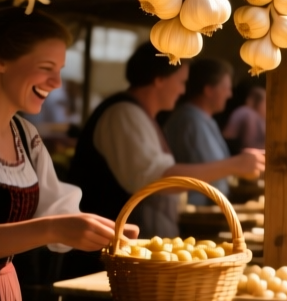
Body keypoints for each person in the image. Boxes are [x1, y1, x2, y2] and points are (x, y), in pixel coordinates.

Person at [0, 9, 129, 301]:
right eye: (46, 68)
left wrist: (102, 230)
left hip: (5, 290)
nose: (57, 83)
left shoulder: (25, 133)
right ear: (1, 61)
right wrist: (54, 228)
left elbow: (58, 213)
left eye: (60, 70)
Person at [69, 44, 264, 252]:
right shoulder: (123, 114)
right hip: (110, 251)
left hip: (138, 243)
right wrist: (234, 165)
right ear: (159, 79)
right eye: (181, 82)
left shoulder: (141, 115)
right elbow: (159, 179)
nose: (183, 90)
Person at [163, 58, 241, 206]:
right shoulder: (190, 121)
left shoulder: (203, 119)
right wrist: (238, 165)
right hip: (196, 212)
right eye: (226, 88)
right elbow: (213, 172)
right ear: (208, 90)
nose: (230, 95)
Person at [223, 85, 267, 151]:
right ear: (259, 103)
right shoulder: (247, 113)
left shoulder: (257, 117)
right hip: (233, 151)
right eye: (265, 102)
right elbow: (250, 144)